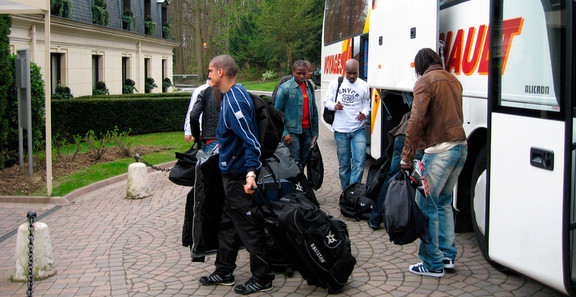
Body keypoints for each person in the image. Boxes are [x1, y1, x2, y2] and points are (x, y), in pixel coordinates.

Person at [198, 54, 274, 295]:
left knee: (250, 226)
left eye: (210, 71)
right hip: (230, 174)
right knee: (228, 224)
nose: (208, 75)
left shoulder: (234, 103)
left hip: (239, 176)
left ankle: (263, 277)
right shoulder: (234, 92)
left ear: (221, 72)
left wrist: (251, 173)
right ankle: (224, 270)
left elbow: (251, 140)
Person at [400, 48, 468, 278]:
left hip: (439, 150)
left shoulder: (425, 81)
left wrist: (406, 157)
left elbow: (415, 119)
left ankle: (431, 263)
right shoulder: (453, 79)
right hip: (460, 148)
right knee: (443, 203)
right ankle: (447, 256)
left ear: (420, 65)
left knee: (426, 205)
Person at [367, 111, 423, 230]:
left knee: (390, 179)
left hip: (401, 134)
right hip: (417, 138)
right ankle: (414, 222)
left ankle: (375, 219)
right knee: (420, 182)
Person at [324, 58, 371, 191]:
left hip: (358, 129)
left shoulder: (364, 85)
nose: (351, 76)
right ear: (344, 71)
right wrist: (335, 106)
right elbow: (327, 102)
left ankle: (352, 192)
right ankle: (346, 193)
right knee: (344, 165)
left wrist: (365, 113)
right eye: (348, 73)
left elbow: (367, 104)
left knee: (359, 163)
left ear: (358, 71)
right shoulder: (335, 84)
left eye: (354, 73)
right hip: (340, 130)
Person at [274, 60, 319, 168]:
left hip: (307, 131)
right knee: (294, 162)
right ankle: (294, 184)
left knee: (303, 161)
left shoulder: (310, 86)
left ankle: (301, 183)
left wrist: (315, 132)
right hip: (292, 132)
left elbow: (314, 109)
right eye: (298, 73)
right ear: (293, 72)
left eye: (304, 73)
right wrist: (284, 133)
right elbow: (277, 113)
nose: (301, 76)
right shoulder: (285, 88)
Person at [189, 85, 221, 153]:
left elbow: (193, 116)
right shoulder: (234, 92)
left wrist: (196, 136)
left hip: (208, 138)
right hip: (222, 139)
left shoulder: (205, 92)